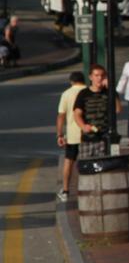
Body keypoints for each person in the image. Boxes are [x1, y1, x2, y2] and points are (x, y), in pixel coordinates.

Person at [73, 64, 122, 159]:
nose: (100, 78)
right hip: (88, 139)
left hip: (104, 139)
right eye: (96, 75)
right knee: (87, 168)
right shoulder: (83, 93)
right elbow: (77, 114)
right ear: (91, 77)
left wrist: (111, 90)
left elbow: (118, 110)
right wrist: (83, 126)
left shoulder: (109, 92)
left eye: (102, 75)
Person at [56, 71, 87, 201]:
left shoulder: (66, 94)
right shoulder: (88, 91)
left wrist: (60, 134)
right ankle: (87, 188)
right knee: (87, 161)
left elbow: (61, 116)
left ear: (71, 81)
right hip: (87, 132)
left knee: (69, 161)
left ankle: (66, 190)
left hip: (72, 134)